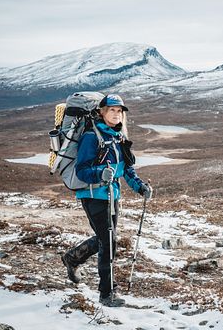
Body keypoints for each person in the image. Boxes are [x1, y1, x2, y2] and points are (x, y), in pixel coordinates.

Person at [61, 94, 153, 307]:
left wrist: (140, 187)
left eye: (119, 111)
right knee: (108, 242)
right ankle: (106, 293)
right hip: (93, 196)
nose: (116, 114)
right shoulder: (91, 137)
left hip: (113, 195)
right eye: (112, 110)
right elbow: (82, 171)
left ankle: (73, 258)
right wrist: (101, 174)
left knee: (106, 239)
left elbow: (126, 169)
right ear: (101, 112)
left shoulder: (119, 137)